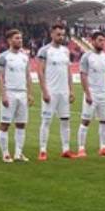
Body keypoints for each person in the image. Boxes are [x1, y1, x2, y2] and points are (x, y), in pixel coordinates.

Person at [36, 23, 74, 160]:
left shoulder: (65, 51)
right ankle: (42, 150)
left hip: (64, 92)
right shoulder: (44, 51)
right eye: (58, 34)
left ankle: (66, 149)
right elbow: (40, 71)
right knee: (46, 121)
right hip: (51, 92)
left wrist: (71, 90)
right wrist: (44, 91)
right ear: (51, 34)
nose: (61, 37)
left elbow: (68, 71)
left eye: (63, 34)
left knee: (65, 121)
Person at [0, 28, 34, 163]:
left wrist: (30, 93)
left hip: (22, 93)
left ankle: (18, 153)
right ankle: (5, 153)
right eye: (17, 38)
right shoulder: (3, 57)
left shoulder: (24, 57)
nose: (20, 40)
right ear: (9, 40)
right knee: (5, 124)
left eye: (21, 38)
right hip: (10, 92)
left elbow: (28, 76)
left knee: (21, 124)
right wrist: (3, 95)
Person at [78, 30, 105, 157]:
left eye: (103, 40)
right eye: (100, 40)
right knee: (85, 121)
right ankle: (81, 148)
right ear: (93, 41)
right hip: (92, 93)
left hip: (103, 94)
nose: (102, 43)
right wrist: (87, 93)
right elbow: (83, 76)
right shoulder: (87, 57)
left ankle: (103, 147)